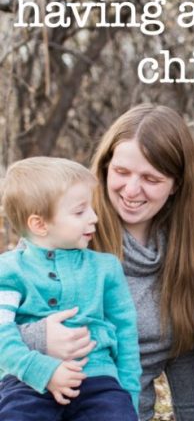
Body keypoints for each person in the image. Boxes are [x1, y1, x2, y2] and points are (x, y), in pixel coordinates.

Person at [16, 105, 194, 421]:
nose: (131, 190)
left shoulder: (185, 252)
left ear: (176, 184)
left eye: (151, 178)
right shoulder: (60, 231)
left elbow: (184, 348)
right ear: (104, 168)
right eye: (121, 172)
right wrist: (39, 337)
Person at [0, 157, 141, 420]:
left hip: (98, 381)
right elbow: (1, 334)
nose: (94, 218)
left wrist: (129, 395)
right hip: (27, 382)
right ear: (39, 224)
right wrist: (42, 371)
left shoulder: (105, 268)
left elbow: (125, 333)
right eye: (80, 212)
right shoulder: (9, 271)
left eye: (91, 208)